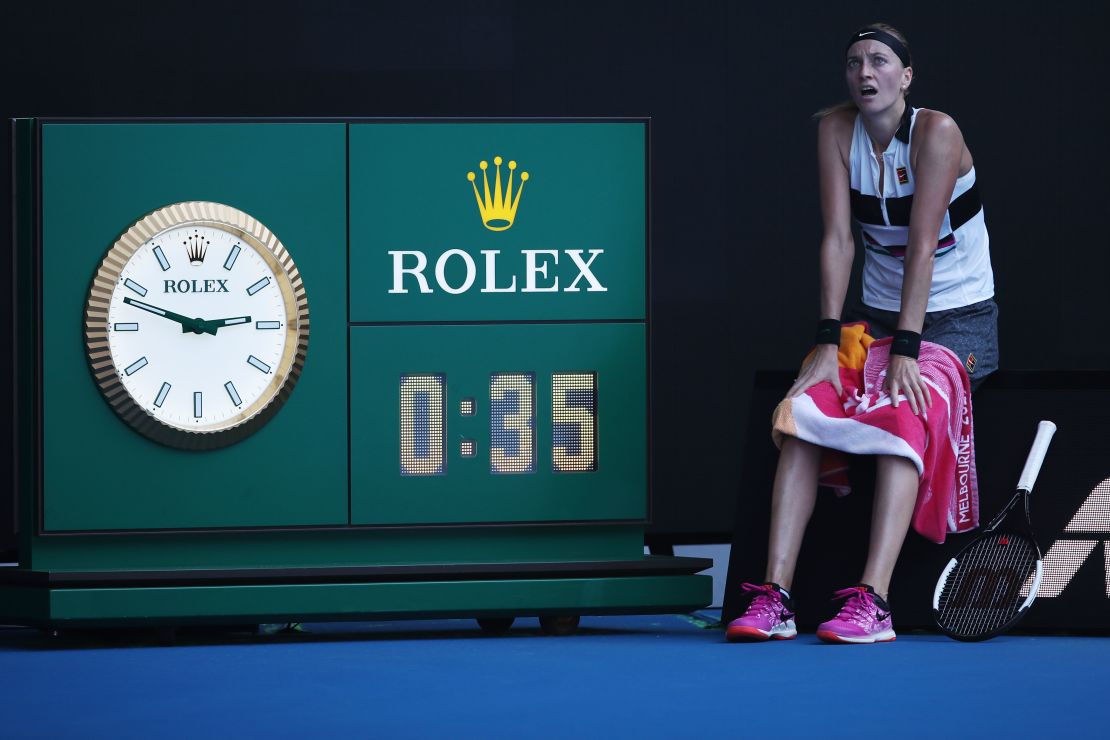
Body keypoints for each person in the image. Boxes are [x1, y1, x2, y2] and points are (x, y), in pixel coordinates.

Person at [727, 23, 998, 644]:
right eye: (854, 62)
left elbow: (923, 248)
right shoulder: (834, 130)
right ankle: (776, 597)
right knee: (799, 413)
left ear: (906, 77)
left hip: (957, 322)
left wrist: (905, 347)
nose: (864, 72)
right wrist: (827, 341)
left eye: (879, 61)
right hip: (875, 320)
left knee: (903, 409)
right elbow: (839, 240)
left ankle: (872, 603)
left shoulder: (937, 132)